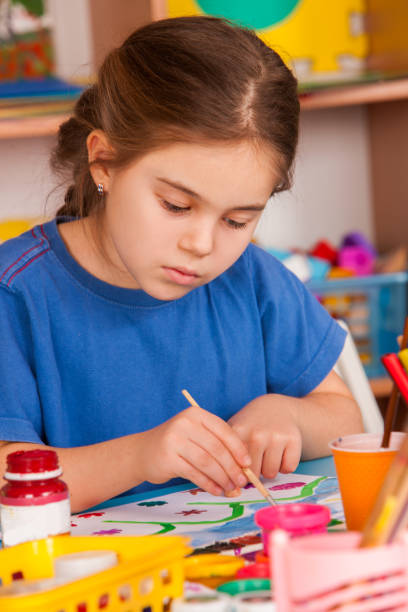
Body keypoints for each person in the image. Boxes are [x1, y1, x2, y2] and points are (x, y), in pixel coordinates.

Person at [0, 16, 362, 513]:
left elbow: (347, 416)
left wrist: (289, 416)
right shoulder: (16, 295)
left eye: (237, 220)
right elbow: (7, 487)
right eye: (176, 205)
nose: (201, 244)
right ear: (104, 162)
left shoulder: (252, 280)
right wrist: (140, 457)